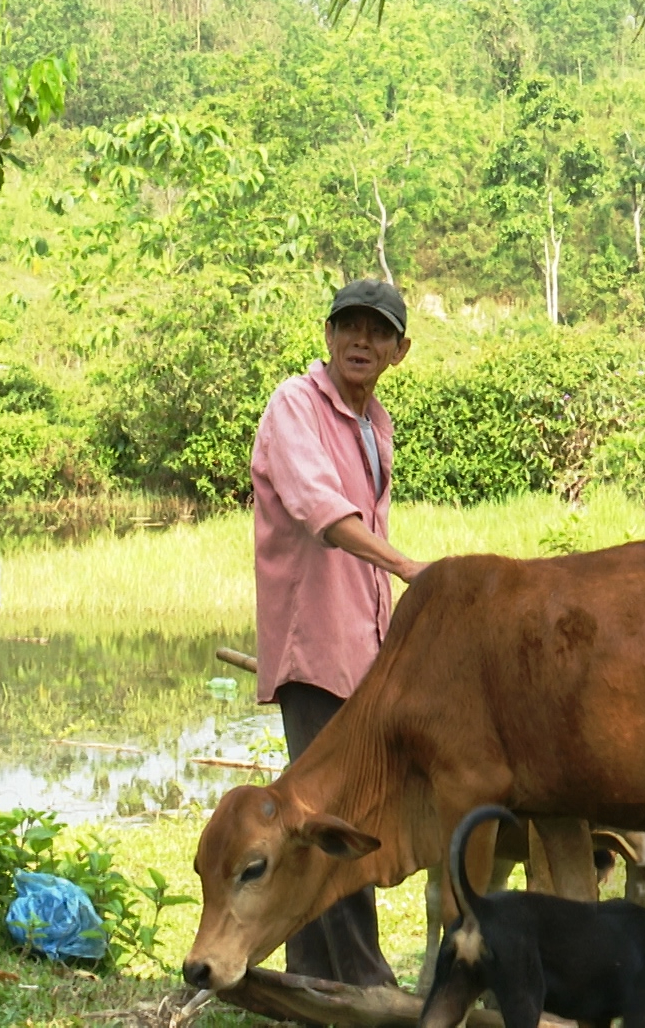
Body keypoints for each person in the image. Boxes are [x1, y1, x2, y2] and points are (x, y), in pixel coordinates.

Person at [249, 278, 427, 986]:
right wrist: (410, 567)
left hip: (363, 653)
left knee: (327, 818)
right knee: (334, 820)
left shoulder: (374, 421)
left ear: (399, 350)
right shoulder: (295, 405)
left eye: (377, 331)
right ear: (327, 335)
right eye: (348, 326)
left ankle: (312, 974)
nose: (361, 341)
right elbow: (322, 509)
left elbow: (364, 524)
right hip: (315, 649)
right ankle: (364, 980)